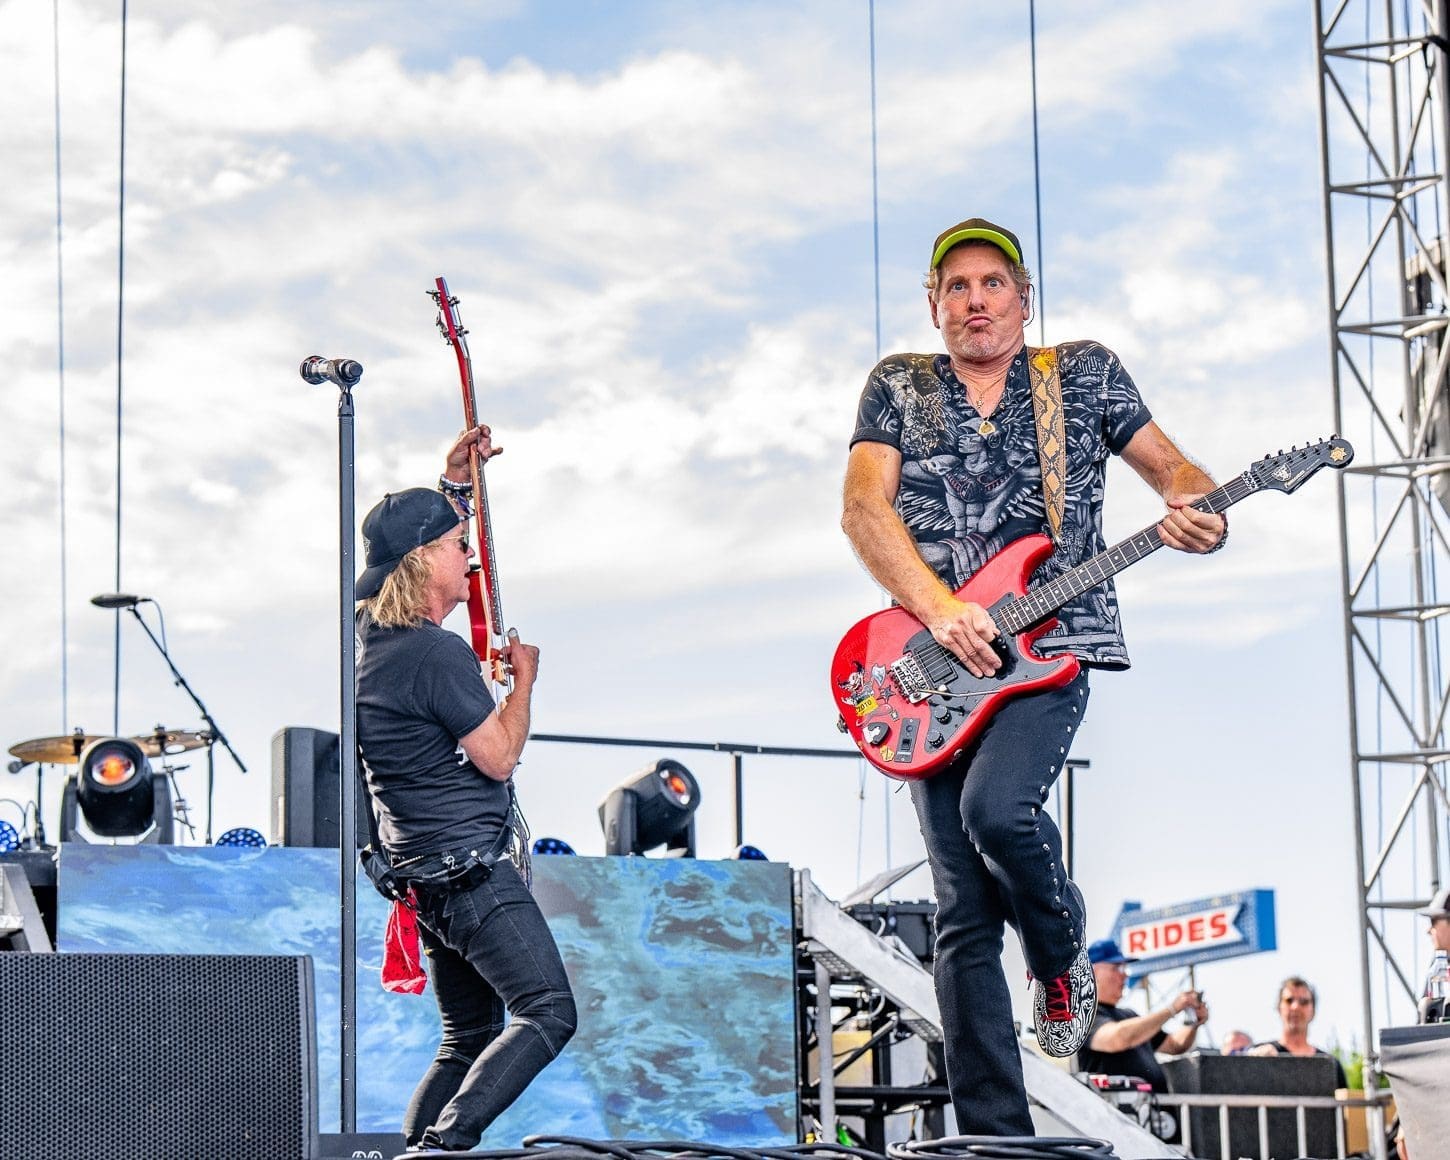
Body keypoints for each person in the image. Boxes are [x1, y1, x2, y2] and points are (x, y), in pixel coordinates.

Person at [841, 217, 1227, 1137]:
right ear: (934, 305)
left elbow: (1171, 465)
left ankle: (1058, 959)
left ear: (1024, 298)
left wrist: (1194, 498)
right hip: (931, 671)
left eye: (993, 284)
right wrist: (942, 610)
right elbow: (862, 509)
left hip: (1050, 646)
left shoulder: (1082, 375)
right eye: (957, 286)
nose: (975, 301)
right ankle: (995, 1133)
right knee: (963, 912)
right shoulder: (898, 384)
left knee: (996, 812)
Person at [355, 427, 576, 1153]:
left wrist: (456, 484)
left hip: (427, 881)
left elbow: (414, 532)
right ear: (423, 562)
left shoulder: (372, 643)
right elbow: (500, 757)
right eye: (457, 545)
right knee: (547, 1010)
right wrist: (525, 684)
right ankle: (444, 1148)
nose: (469, 556)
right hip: (470, 874)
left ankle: (416, 1152)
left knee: (468, 1037)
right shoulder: (433, 653)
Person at [1076, 939, 1207, 1091]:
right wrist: (1172, 1009)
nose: (1125, 975)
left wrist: (1192, 1022)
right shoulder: (1083, 1016)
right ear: (1093, 972)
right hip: (1115, 1105)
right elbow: (1118, 1038)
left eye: (1125, 968)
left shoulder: (1130, 1015)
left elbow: (1174, 1045)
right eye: (1117, 968)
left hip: (1153, 1105)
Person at [1248, 976, 1347, 1087]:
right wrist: (1252, 1062)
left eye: (1304, 1002)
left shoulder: (1330, 1066)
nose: (1295, 1007)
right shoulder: (1260, 1054)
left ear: (1313, 1011)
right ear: (1279, 1008)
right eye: (1289, 1000)